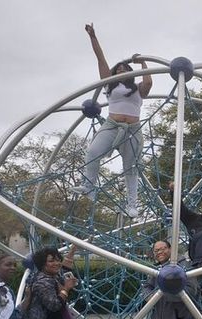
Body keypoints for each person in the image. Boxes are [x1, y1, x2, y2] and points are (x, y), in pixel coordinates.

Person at [71, 23, 153, 219]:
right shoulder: (110, 86)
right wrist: (93, 37)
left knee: (130, 167)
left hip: (132, 129)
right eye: (119, 69)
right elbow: (101, 60)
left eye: (126, 69)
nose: (121, 70)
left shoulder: (138, 89)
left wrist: (142, 63)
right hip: (112, 125)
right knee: (92, 152)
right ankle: (89, 187)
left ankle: (132, 205)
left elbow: (149, 82)